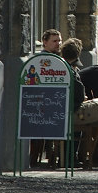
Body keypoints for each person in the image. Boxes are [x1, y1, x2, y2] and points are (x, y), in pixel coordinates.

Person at [30, 28, 63, 168]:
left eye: (59, 41)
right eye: (54, 41)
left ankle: (55, 157)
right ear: (44, 42)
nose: (58, 44)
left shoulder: (58, 60)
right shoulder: (42, 60)